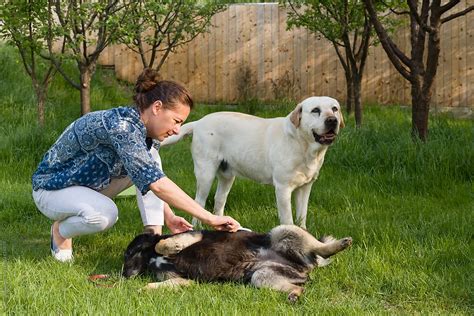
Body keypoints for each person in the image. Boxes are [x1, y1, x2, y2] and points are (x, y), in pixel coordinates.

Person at [32, 68, 240, 262]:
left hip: (86, 186)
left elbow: (148, 176)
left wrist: (169, 216)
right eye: (176, 121)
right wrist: (209, 218)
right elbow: (157, 184)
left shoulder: (142, 131)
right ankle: (61, 231)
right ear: (157, 107)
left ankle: (153, 239)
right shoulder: (122, 128)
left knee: (151, 159)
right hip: (52, 189)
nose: (177, 130)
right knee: (105, 215)